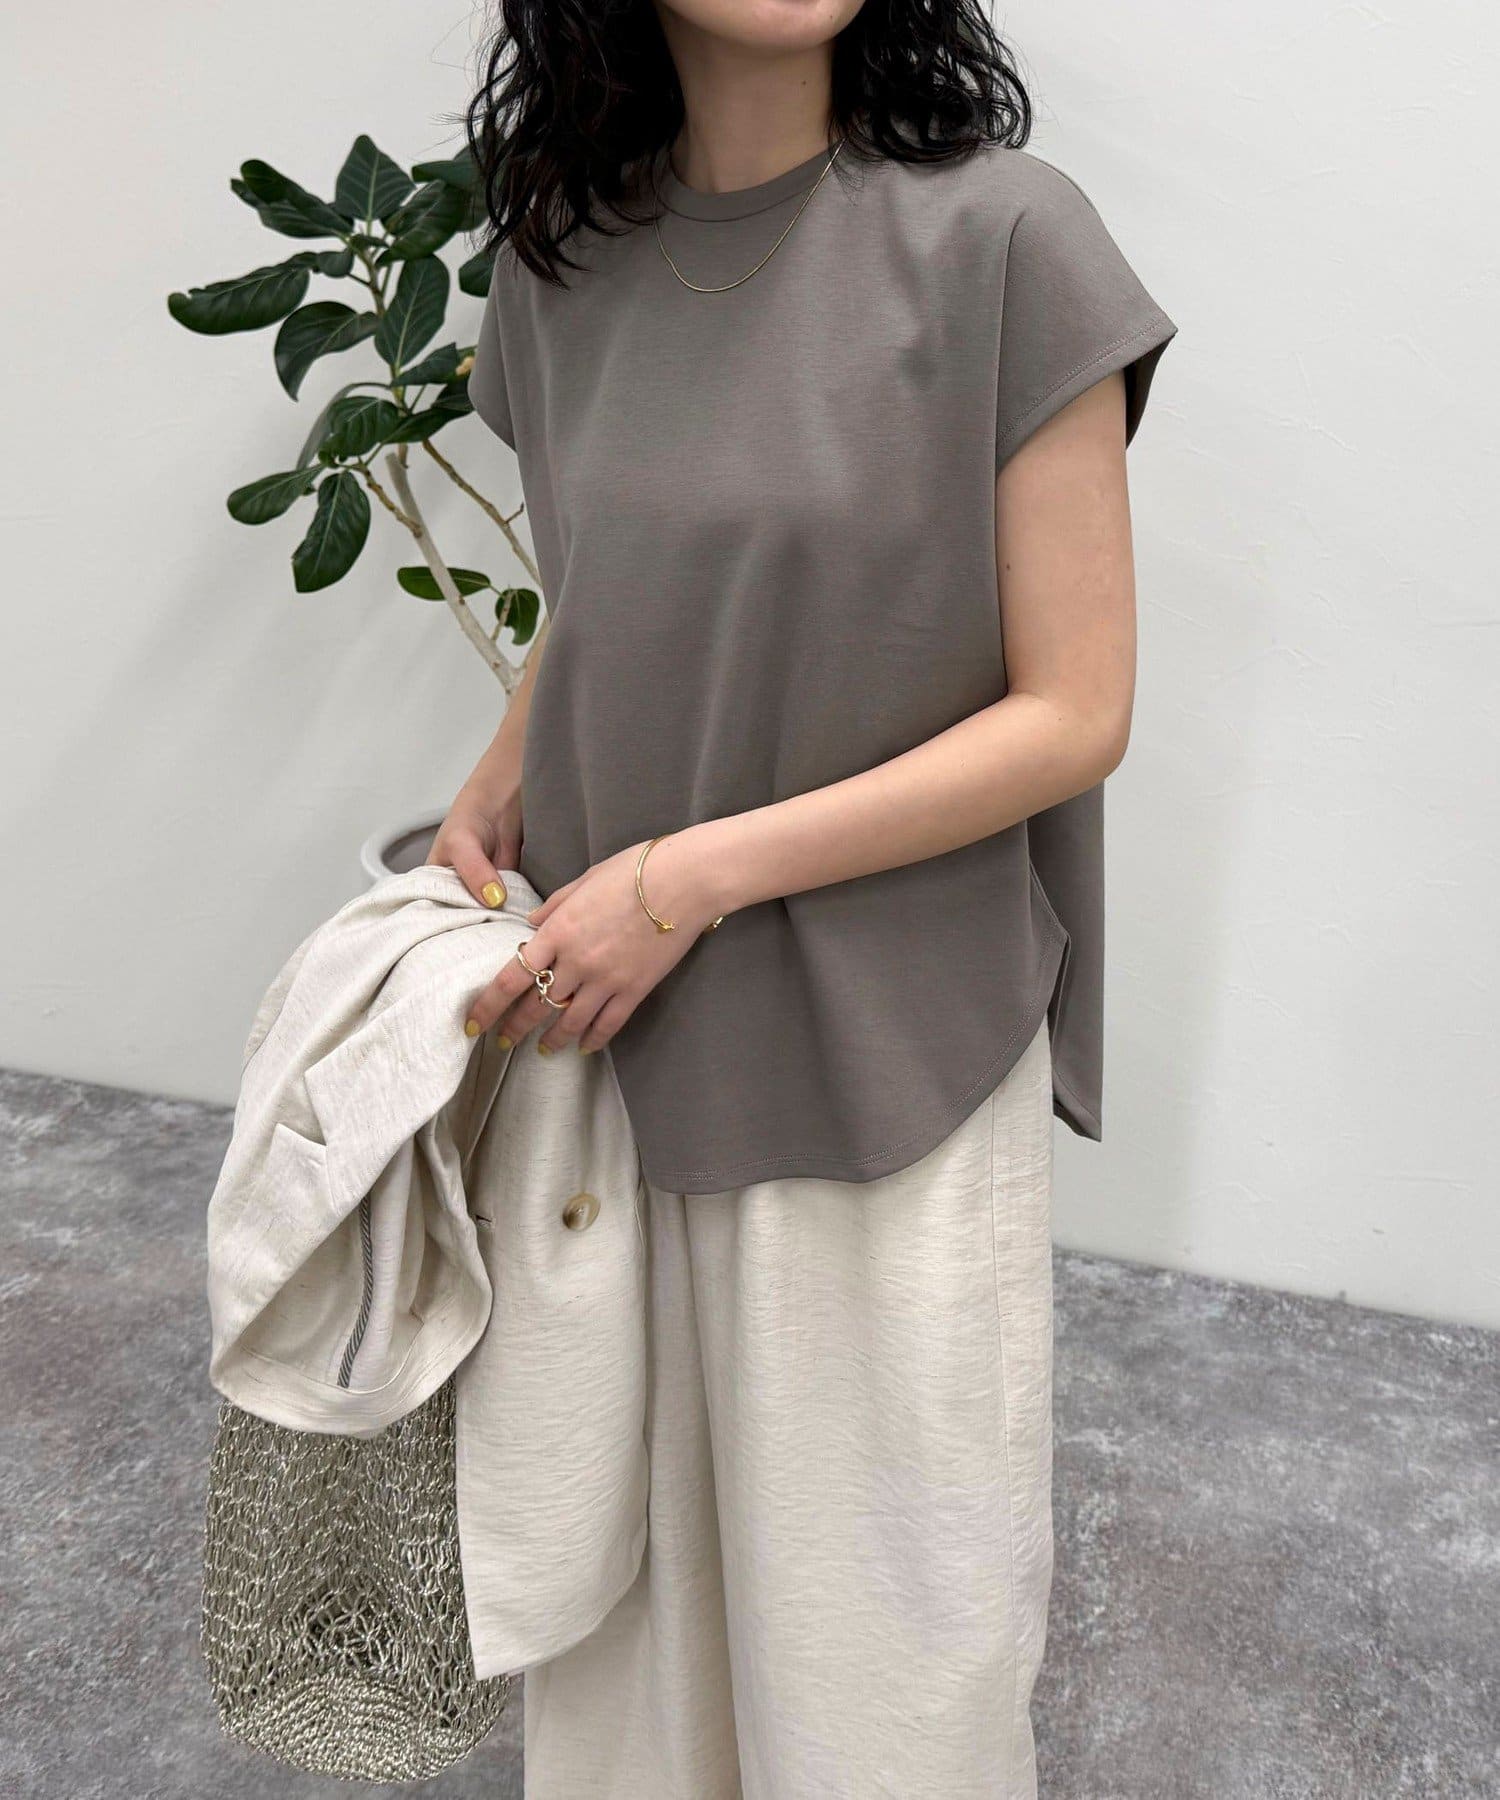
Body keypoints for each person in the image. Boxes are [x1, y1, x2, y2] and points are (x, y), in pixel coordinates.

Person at [432, 2, 1176, 1794]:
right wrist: (503, 766)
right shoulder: (560, 264)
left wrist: (689, 878)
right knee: (625, 1658)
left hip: (885, 1055)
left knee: (883, 1678)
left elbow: (1076, 712)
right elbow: (610, 585)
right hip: (615, 1049)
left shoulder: (1006, 241)